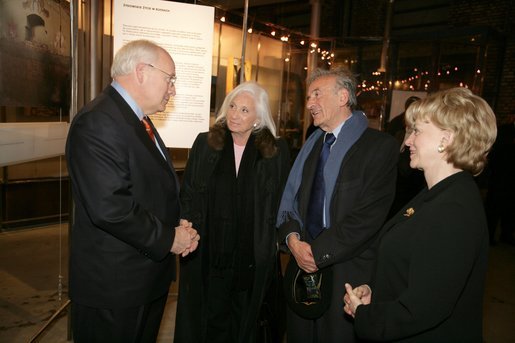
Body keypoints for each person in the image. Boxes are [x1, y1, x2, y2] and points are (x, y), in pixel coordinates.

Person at [66, 39, 199, 343]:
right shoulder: (98, 122)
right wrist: (169, 238)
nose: (173, 89)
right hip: (114, 290)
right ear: (142, 71)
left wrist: (177, 227)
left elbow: (148, 190)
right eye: (170, 79)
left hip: (141, 281)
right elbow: (110, 207)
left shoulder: (137, 121)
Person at [344, 87, 497, 342]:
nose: (407, 141)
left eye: (417, 131)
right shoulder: (435, 193)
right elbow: (414, 271)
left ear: (445, 140)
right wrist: (376, 294)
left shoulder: (453, 210)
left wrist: (366, 317)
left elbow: (424, 308)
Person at [276, 67, 399, 343]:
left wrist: (315, 254)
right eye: (308, 97)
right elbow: (291, 201)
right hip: (302, 264)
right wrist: (293, 242)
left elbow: (367, 218)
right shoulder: (311, 146)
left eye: (317, 94)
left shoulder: (379, 148)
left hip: (348, 270)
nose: (309, 103)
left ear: (343, 97)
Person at [174, 81, 291, 343]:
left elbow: (283, 199)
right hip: (209, 250)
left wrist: (278, 240)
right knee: (210, 318)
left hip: (253, 253)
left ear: (258, 118)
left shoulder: (274, 151)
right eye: (233, 107)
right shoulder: (207, 143)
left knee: (246, 319)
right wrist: (186, 226)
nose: (235, 115)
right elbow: (190, 192)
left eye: (245, 110)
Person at [386, 96, 426, 218]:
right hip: (396, 174)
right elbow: (388, 147)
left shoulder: (423, 125)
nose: (409, 141)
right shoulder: (397, 123)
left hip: (414, 178)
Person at [485, 119, 515, 245]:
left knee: (511, 209)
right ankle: (489, 236)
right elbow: (494, 152)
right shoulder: (503, 131)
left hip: (512, 179)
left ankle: (506, 235)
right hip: (500, 177)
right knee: (494, 207)